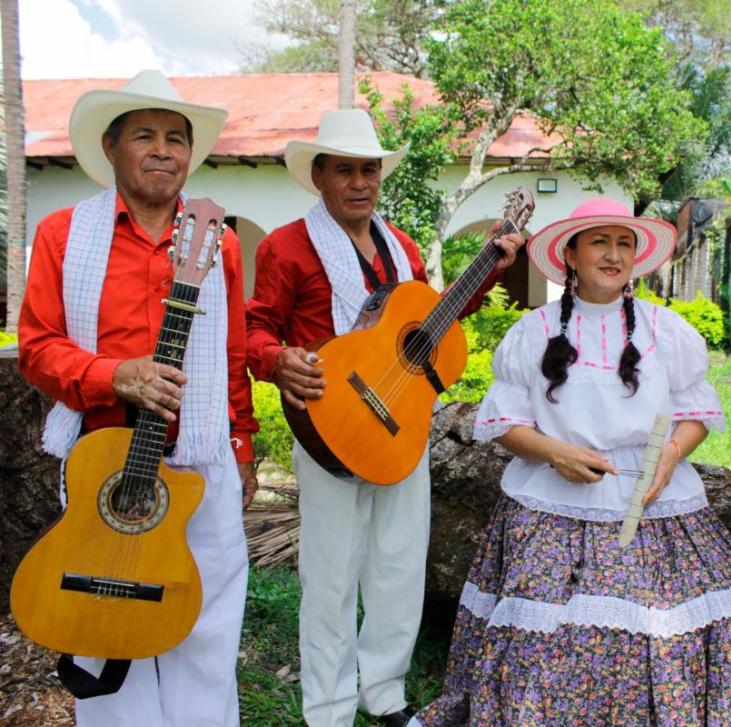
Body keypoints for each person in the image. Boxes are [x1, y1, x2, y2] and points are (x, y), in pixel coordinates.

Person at [411, 197, 731, 726]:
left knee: (698, 619)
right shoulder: (534, 331)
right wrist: (554, 452)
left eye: (624, 243)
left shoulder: (665, 330)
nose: (613, 255)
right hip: (552, 503)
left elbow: (696, 413)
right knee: (550, 634)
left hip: (652, 500)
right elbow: (504, 424)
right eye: (600, 242)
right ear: (570, 254)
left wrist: (673, 452)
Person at [245, 108, 523, 727]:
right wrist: (276, 359)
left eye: (369, 170)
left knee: (399, 565)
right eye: (344, 170)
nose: (359, 182)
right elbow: (255, 327)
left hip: (402, 422)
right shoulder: (286, 245)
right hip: (331, 425)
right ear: (318, 176)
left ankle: (385, 693)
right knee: (331, 576)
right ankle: (329, 708)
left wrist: (487, 272)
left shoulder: (400, 245)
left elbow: (426, 321)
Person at [17, 69, 257, 726]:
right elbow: (37, 346)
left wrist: (241, 443)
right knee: (103, 621)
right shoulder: (64, 234)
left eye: (176, 139)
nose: (162, 150)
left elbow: (233, 353)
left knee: (206, 623)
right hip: (103, 463)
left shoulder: (218, 241)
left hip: (199, 459)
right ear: (111, 147)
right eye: (144, 135)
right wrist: (112, 375)